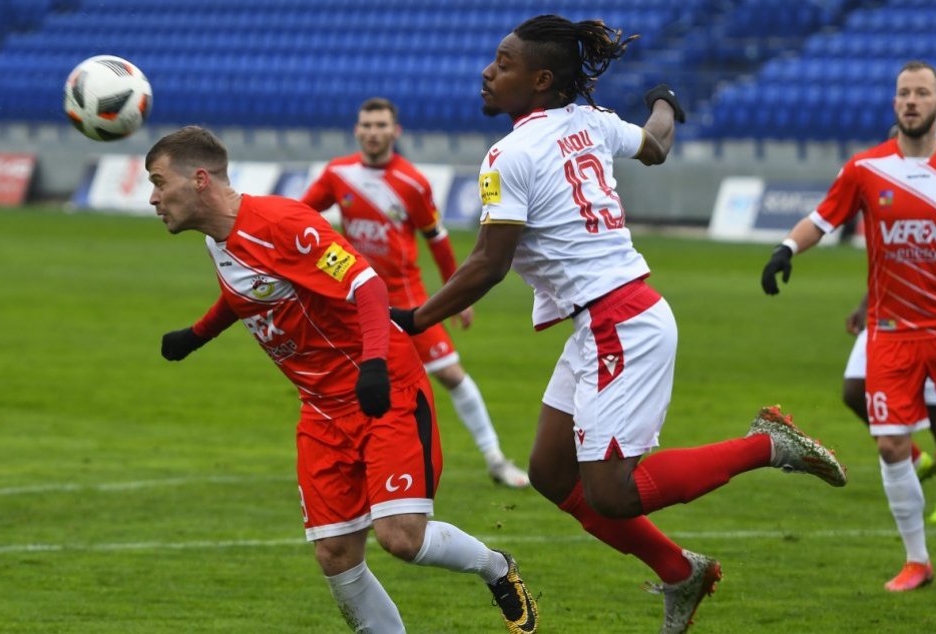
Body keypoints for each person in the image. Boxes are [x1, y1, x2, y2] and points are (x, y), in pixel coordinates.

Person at [389, 14, 847, 633]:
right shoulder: (590, 123)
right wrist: (665, 102)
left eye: (503, 63)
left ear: (541, 79)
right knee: (551, 473)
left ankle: (767, 444)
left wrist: (414, 318)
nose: (488, 72)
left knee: (613, 492)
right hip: (607, 319)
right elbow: (656, 145)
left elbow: (489, 264)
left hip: (617, 323)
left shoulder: (509, 155)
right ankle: (681, 572)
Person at [148, 126, 538, 633]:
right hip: (321, 409)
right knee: (335, 552)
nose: (153, 197)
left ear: (199, 179)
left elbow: (367, 286)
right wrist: (195, 335)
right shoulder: (217, 240)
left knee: (401, 537)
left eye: (159, 182)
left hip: (383, 389)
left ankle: (496, 567)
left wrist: (374, 365)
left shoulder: (282, 221)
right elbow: (247, 290)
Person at [762, 60, 936, 591]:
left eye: (922, 94)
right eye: (904, 93)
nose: (911, 101)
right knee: (891, 446)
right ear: (895, 104)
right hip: (891, 334)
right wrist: (786, 248)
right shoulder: (867, 168)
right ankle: (918, 561)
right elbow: (822, 219)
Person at [299, 97, 529, 488]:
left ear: (395, 131)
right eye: (367, 125)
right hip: (355, 304)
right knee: (353, 385)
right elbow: (300, 217)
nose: (373, 132)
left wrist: (459, 297)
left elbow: (436, 240)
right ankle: (358, 466)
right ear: (357, 130)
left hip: (408, 304)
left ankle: (495, 459)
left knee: (453, 376)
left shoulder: (412, 182)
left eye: (381, 125)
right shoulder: (338, 174)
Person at [842, 294, 936, 518]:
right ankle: (916, 459)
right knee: (854, 391)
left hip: (930, 319)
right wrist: (864, 305)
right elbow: (887, 266)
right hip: (887, 317)